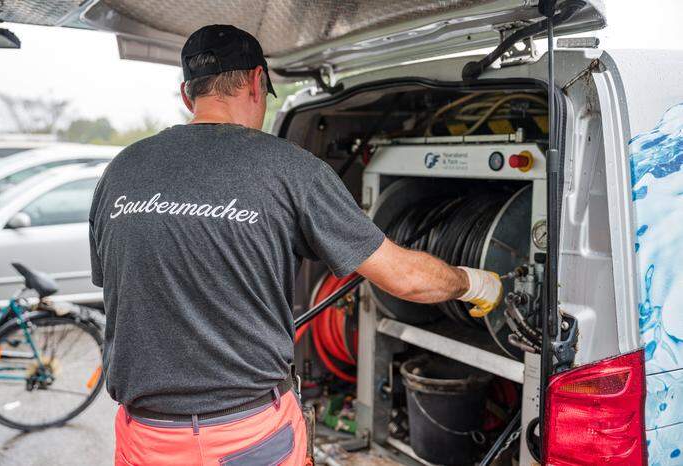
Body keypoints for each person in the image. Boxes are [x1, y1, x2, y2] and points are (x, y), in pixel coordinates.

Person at [89, 24, 503, 466]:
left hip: (145, 438)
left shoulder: (121, 171)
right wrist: (472, 282)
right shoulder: (289, 169)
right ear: (256, 81)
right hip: (247, 438)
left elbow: (119, 285)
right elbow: (406, 280)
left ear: (188, 95)